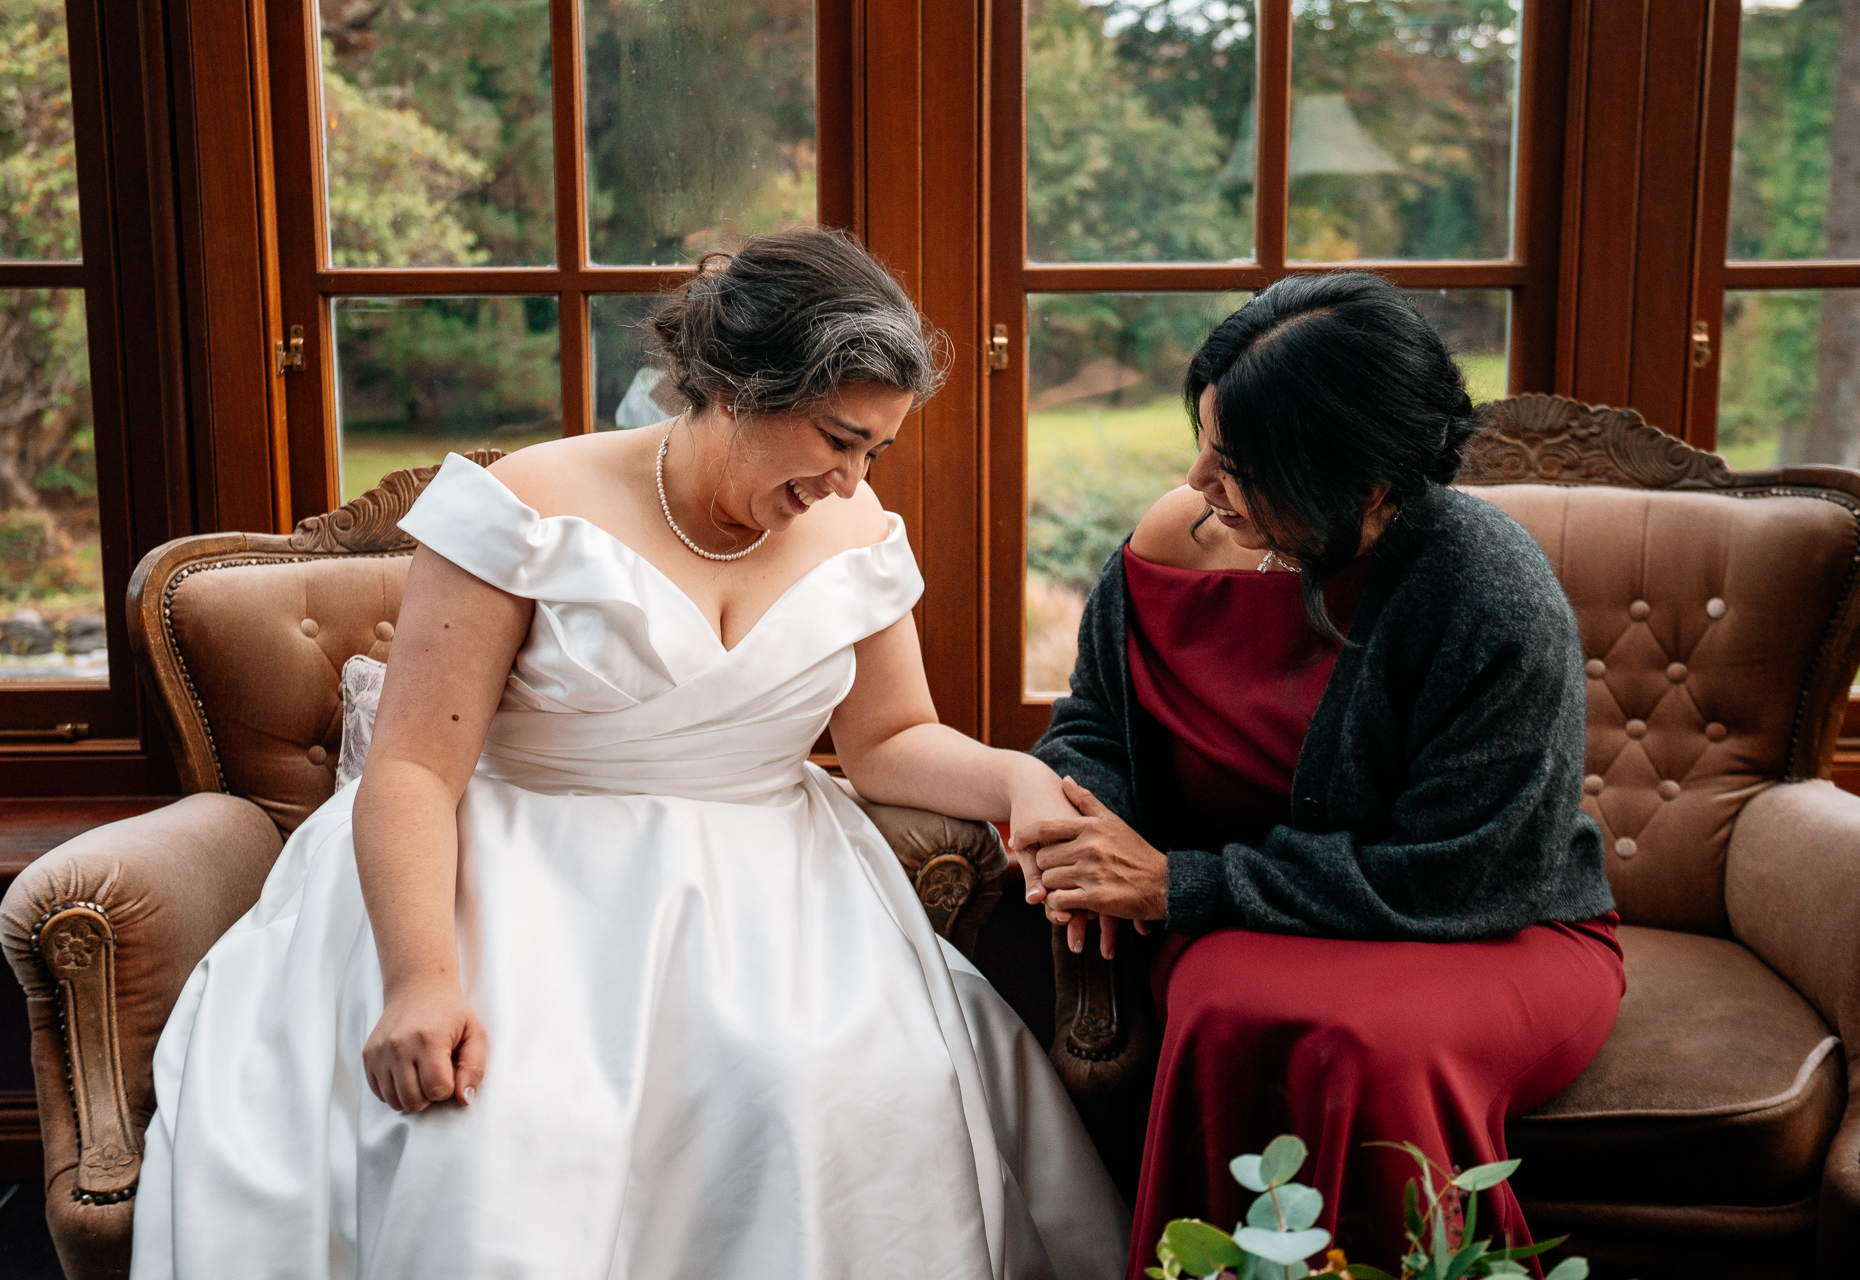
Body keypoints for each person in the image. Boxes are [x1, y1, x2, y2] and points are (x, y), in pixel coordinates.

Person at [132, 228, 1129, 1279]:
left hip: (779, 895)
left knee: (824, 1089)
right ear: (738, 389)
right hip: (519, 878)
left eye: (874, 450)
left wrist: (1017, 778)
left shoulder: (858, 529)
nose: (850, 481)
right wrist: (421, 979)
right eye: (837, 439)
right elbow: (418, 768)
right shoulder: (523, 505)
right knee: (506, 1132)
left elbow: (889, 741)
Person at [1014, 272, 1623, 1273]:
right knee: (1220, 1003)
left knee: (1370, 1047)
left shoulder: (1488, 591)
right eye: (1203, 446)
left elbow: (1463, 875)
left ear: (1362, 484)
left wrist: (1181, 884)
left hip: (1495, 925)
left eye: (1239, 465)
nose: (1200, 485)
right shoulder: (1178, 543)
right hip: (1253, 923)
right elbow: (1095, 726)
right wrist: (1082, 824)